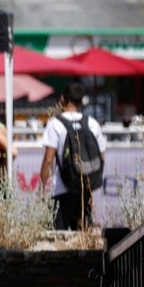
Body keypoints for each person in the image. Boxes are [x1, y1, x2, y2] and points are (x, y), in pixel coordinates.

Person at [40, 82, 108, 231]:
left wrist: (42, 187)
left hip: (61, 190)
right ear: (82, 101)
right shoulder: (92, 123)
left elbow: (48, 160)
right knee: (83, 235)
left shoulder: (55, 124)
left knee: (59, 238)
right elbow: (101, 157)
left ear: (63, 99)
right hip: (84, 190)